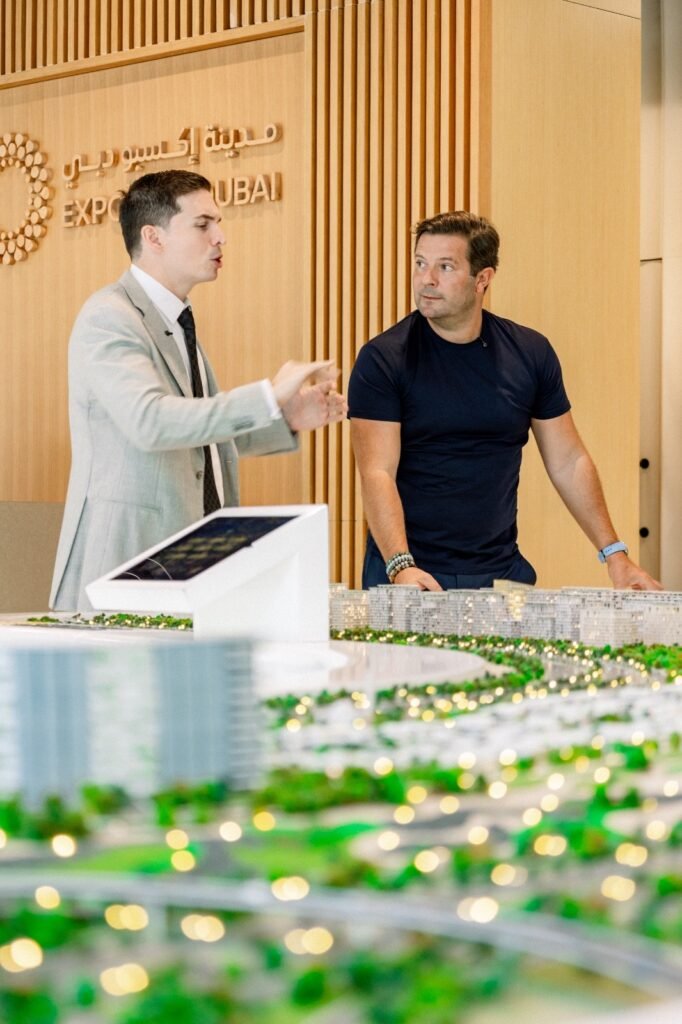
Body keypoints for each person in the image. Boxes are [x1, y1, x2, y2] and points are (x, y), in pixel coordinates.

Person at [51, 169, 346, 611]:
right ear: (153, 236)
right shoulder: (109, 316)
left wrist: (285, 418)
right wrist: (267, 395)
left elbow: (196, 436)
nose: (220, 237)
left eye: (218, 223)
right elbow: (151, 422)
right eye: (203, 224)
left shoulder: (176, 320)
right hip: (125, 566)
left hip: (186, 566)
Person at [348, 211, 661, 592]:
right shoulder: (383, 359)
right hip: (410, 570)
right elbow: (377, 472)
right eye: (420, 263)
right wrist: (401, 566)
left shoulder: (530, 353)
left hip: (500, 572)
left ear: (483, 278)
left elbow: (568, 461)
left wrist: (615, 554)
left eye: (445, 266)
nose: (426, 279)